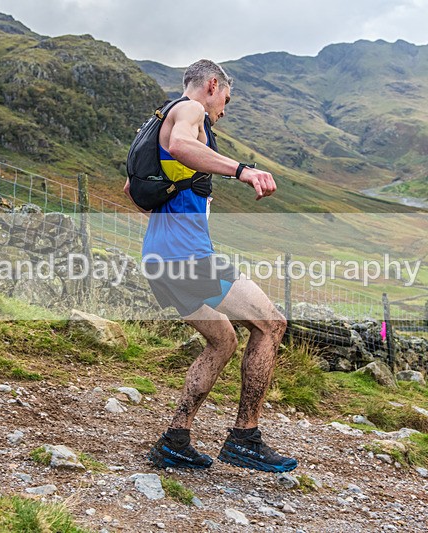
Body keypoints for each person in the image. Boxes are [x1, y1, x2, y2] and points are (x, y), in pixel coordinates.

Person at [124, 59, 296, 473]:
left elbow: (134, 188)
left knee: (223, 340)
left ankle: (175, 439)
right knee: (272, 323)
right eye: (226, 100)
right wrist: (242, 170)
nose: (224, 109)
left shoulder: (155, 120)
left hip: (159, 256)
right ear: (212, 85)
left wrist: (189, 204)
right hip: (188, 257)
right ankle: (244, 438)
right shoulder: (190, 109)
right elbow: (184, 145)